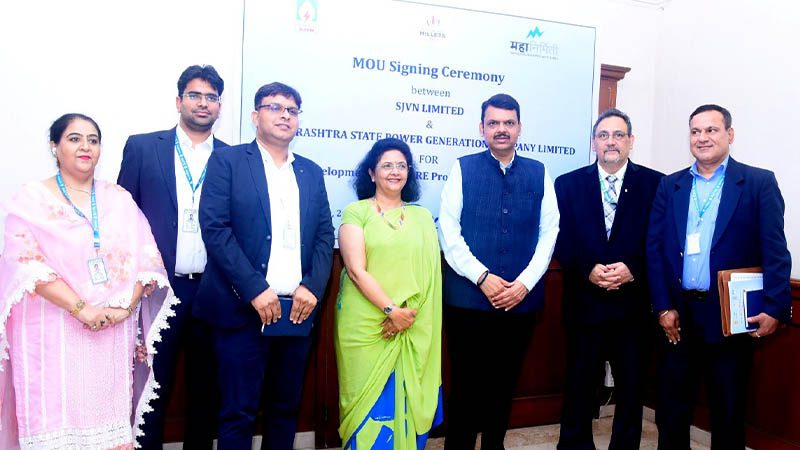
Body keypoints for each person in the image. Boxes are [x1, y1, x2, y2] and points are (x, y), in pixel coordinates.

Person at [0, 113, 178, 449]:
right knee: (55, 422)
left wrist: (125, 308)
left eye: (93, 140)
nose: (86, 146)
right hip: (51, 334)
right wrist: (81, 309)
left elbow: (148, 258)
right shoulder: (31, 199)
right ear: (54, 146)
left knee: (107, 426)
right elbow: (25, 265)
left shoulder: (118, 199)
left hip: (110, 333)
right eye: (74, 138)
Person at [195, 82, 334, 449]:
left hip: (296, 312)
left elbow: (324, 234)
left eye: (292, 110)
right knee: (238, 413)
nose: (284, 115)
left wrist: (313, 287)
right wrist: (254, 288)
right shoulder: (228, 161)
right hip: (242, 310)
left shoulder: (311, 172)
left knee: (285, 410)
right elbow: (215, 229)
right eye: (275, 107)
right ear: (255, 117)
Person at [646, 104, 791, 449]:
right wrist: (662, 306)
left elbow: (775, 250)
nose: (702, 138)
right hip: (678, 315)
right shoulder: (671, 185)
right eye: (695, 131)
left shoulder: (758, 183)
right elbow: (654, 248)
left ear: (730, 134)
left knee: (728, 410)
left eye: (711, 130)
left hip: (729, 316)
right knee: (672, 408)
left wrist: (775, 307)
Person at [438, 93, 559, 450]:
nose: (501, 129)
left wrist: (524, 284)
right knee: (465, 384)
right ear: (482, 128)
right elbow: (449, 231)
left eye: (508, 123)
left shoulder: (538, 171)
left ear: (519, 128)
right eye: (493, 123)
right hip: (468, 300)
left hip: (520, 302)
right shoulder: (463, 168)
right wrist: (482, 277)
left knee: (504, 384)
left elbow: (549, 232)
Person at [117, 64, 227, 449]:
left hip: (213, 290)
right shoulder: (143, 148)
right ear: (179, 101)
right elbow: (123, 218)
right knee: (152, 385)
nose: (203, 103)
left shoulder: (233, 158)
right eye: (195, 95)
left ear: (219, 107)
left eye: (211, 97)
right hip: (159, 289)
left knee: (205, 389)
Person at [554, 109, 663, 449]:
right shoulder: (568, 184)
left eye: (618, 135)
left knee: (631, 387)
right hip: (584, 304)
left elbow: (660, 239)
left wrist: (633, 268)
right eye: (603, 135)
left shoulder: (656, 184)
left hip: (633, 307)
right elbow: (559, 238)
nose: (611, 142)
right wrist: (587, 267)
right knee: (578, 385)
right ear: (594, 143)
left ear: (631, 141)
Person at [336, 138, 443, 449]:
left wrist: (407, 316)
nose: (395, 172)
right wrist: (391, 311)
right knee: (366, 407)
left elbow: (430, 276)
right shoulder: (356, 212)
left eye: (401, 166)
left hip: (412, 324)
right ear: (371, 173)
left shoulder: (422, 217)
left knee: (407, 405)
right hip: (366, 327)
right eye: (386, 165)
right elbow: (356, 270)